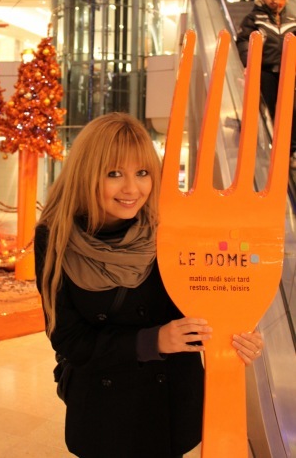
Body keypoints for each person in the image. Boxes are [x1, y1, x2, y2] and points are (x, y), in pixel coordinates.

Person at [35, 112, 264, 458]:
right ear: (86, 173)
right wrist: (151, 341)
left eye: (142, 173)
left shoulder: (172, 229)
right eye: (114, 174)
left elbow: (209, 302)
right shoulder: (55, 238)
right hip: (104, 409)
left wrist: (239, 334)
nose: (132, 189)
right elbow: (68, 338)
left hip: (169, 402)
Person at [237, 0, 296, 168]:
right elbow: (243, 41)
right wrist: (249, 63)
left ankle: (291, 151)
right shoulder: (254, 18)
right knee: (269, 111)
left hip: (289, 72)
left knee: (292, 110)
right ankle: (273, 151)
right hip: (266, 72)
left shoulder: (292, 18)